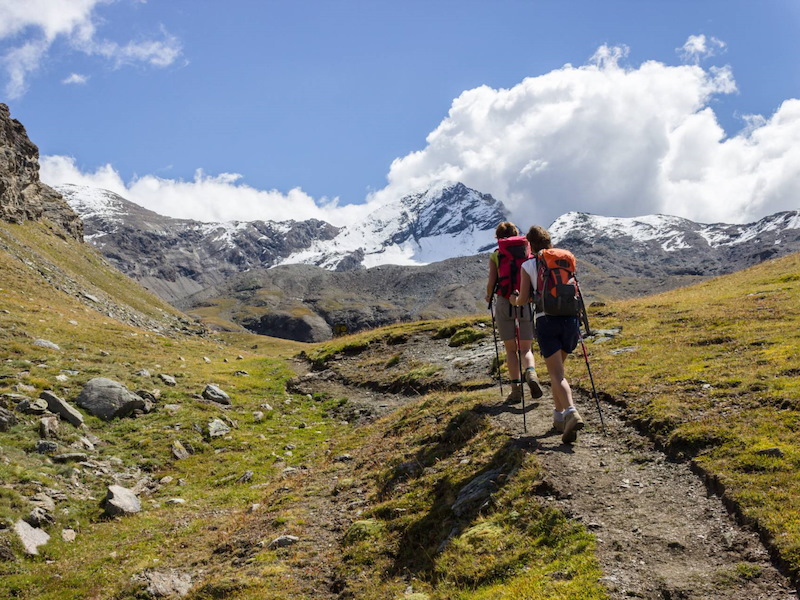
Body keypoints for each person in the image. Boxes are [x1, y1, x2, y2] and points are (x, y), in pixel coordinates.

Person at [510, 225, 584, 444]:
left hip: (547, 320)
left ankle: (571, 412)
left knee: (557, 374)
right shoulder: (566, 259)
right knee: (557, 372)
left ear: (530, 245)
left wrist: (514, 300)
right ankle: (559, 417)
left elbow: (523, 299)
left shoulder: (528, 265)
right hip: (570, 320)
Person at [485, 221, 543, 404]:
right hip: (524, 301)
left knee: (511, 350)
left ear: (498, 237)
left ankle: (516, 390)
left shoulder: (497, 255)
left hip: (504, 302)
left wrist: (488, 296)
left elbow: (492, 281)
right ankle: (531, 373)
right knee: (525, 348)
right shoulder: (528, 252)